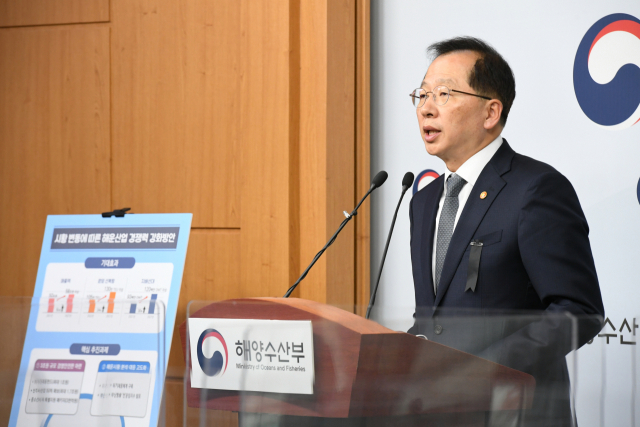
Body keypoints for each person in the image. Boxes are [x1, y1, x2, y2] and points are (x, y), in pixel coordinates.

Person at [406, 37, 604, 426]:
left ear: (490, 112)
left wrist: (485, 370)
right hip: (439, 414)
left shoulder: (535, 189)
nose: (426, 107)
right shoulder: (424, 201)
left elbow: (579, 311)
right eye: (422, 94)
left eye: (444, 94)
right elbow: (434, 318)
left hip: (514, 412)